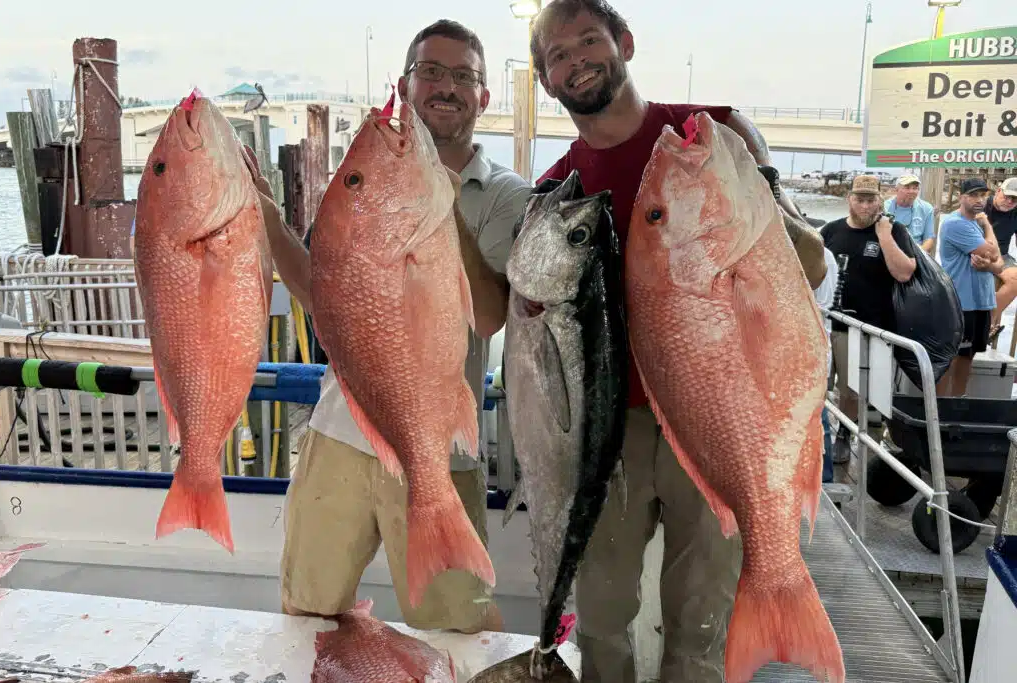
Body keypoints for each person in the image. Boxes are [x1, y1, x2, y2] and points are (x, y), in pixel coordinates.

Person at [527, 2, 829, 681]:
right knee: (602, 614)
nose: (576, 60)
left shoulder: (711, 133)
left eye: (588, 40)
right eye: (558, 55)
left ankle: (777, 595)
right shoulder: (554, 193)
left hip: (723, 415)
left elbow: (809, 266)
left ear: (624, 43)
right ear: (545, 80)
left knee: (701, 619)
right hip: (613, 428)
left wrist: (763, 198)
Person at [252, 19, 532, 633]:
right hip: (339, 430)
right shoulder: (371, 176)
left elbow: (489, 316)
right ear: (404, 86)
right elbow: (323, 296)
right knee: (307, 612)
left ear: (484, 98)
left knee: (458, 626)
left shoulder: (509, 197)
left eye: (464, 76)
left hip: (438, 447)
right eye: (430, 71)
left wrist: (442, 209)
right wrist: (269, 220)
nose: (446, 86)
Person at [821, 175, 917, 462]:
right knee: (819, 385)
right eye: (859, 199)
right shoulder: (831, 230)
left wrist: (884, 236)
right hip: (827, 322)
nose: (864, 205)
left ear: (880, 200)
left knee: (851, 390)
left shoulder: (894, 231)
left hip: (864, 327)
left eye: (870, 199)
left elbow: (904, 272)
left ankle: (844, 435)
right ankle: (820, 435)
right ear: (849, 199)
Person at [937, 178, 999, 397]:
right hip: (961, 302)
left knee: (968, 356)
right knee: (951, 357)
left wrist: (991, 262)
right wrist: (988, 226)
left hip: (980, 301)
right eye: (973, 195)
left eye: (983, 195)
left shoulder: (975, 223)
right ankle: (940, 411)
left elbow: (998, 264)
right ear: (961, 197)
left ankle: (957, 403)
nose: (979, 200)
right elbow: (993, 253)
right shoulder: (956, 223)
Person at [812, 246, 839, 484]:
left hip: (811, 353)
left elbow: (823, 307)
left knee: (817, 419)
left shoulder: (823, 256)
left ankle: (825, 481)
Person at [985, 177, 1017, 340]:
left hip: (1002, 255)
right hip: (977, 251)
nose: (1010, 201)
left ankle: (987, 321)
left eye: (1015, 199)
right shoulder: (981, 206)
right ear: (998, 191)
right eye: (1007, 196)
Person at [884, 175, 936, 255]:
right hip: (889, 253)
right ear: (896, 190)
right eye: (907, 187)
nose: (911, 191)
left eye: (915, 188)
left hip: (917, 254)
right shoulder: (884, 207)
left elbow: (929, 238)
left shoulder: (926, 208)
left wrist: (917, 256)